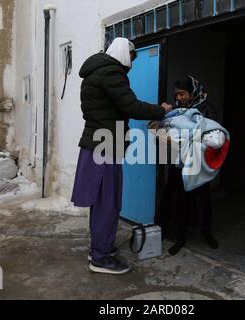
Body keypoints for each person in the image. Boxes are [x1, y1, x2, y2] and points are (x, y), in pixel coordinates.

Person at [71, 38, 173, 275]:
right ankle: (100, 257)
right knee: (109, 202)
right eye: (132, 58)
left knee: (102, 202)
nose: (132, 64)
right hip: (105, 146)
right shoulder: (111, 73)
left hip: (97, 144)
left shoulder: (94, 72)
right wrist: (161, 110)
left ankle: (99, 247)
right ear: (123, 53)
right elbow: (131, 106)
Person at [155, 75, 220, 255]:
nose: (179, 98)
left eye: (182, 94)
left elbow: (212, 136)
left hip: (199, 163)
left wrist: (184, 140)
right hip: (179, 163)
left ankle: (206, 232)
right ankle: (180, 237)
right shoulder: (177, 110)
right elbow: (162, 126)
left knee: (202, 199)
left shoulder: (206, 109)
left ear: (193, 92)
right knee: (178, 199)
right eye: (177, 94)